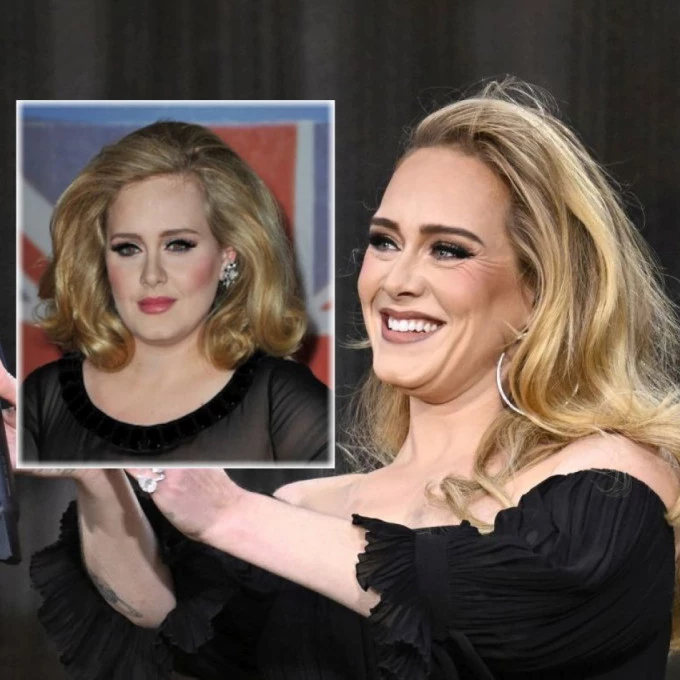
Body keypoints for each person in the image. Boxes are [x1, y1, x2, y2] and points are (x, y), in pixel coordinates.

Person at [13, 80, 680, 678]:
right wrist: (96, 472)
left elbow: (488, 606)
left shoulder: (608, 483)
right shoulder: (309, 509)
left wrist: (228, 513)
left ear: (540, 291)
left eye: (448, 250)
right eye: (386, 241)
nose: (397, 280)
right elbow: (172, 623)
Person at [21, 121, 329, 464]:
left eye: (178, 245)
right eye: (128, 248)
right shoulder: (42, 400)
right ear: (101, 260)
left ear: (228, 255)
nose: (152, 275)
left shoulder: (281, 400)